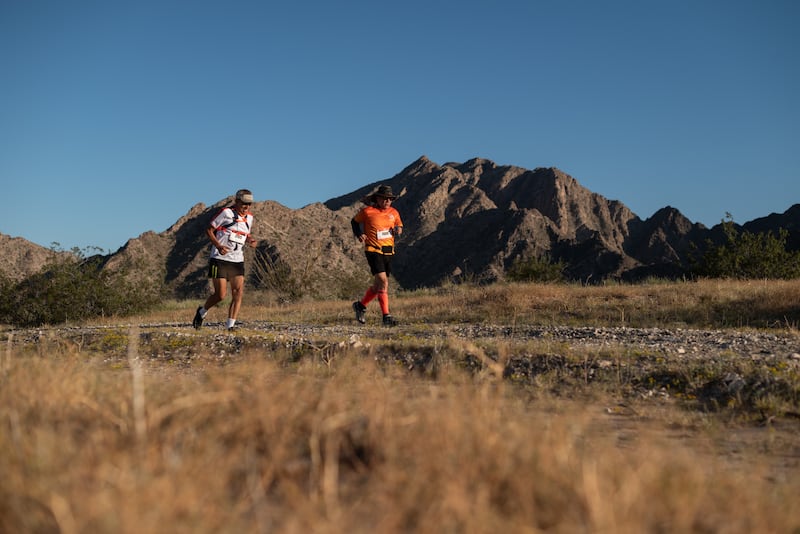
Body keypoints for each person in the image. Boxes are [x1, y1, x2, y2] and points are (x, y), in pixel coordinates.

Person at [193, 189, 257, 331]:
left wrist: (250, 240)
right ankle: (202, 311)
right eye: (244, 203)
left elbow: (245, 234)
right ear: (237, 201)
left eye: (249, 204)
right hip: (219, 258)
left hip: (237, 259)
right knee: (220, 295)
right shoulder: (226, 213)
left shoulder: (250, 218)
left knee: (238, 292)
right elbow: (209, 230)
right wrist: (218, 245)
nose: (246, 206)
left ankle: (230, 326)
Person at [351, 184, 403, 326]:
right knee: (383, 281)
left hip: (388, 251)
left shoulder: (394, 212)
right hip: (373, 250)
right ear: (377, 199)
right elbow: (354, 222)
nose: (387, 201)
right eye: (384, 198)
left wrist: (398, 230)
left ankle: (360, 306)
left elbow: (399, 226)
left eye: (390, 199)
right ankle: (386, 316)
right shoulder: (368, 211)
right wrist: (359, 234)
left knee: (378, 285)